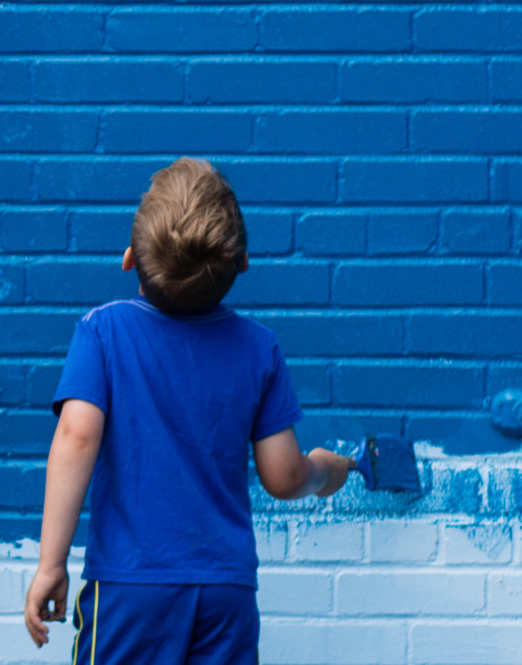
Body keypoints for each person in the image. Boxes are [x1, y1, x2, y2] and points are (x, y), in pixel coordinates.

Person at [21, 157, 352, 663]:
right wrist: (326, 470)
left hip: (131, 587)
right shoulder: (259, 348)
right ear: (242, 264)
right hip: (225, 593)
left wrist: (51, 562)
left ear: (130, 258)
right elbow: (284, 476)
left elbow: (77, 438)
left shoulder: (103, 331)